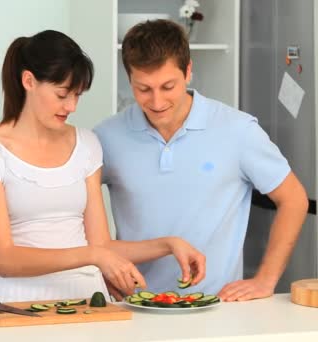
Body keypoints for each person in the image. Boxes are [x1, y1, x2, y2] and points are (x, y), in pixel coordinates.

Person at [0, 29, 206, 303]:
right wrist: (93, 256)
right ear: (29, 81)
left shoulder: (86, 143)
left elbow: (101, 244)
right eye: (62, 94)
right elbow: (5, 259)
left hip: (88, 300)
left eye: (77, 95)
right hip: (19, 304)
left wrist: (169, 245)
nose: (71, 106)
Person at [94, 19, 308, 302]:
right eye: (143, 89)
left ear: (189, 71)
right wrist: (100, 268)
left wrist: (265, 280)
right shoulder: (106, 137)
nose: (156, 102)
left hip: (217, 307)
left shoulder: (238, 130)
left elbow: (294, 199)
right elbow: (71, 213)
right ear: (129, 78)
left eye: (168, 86)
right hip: (134, 307)